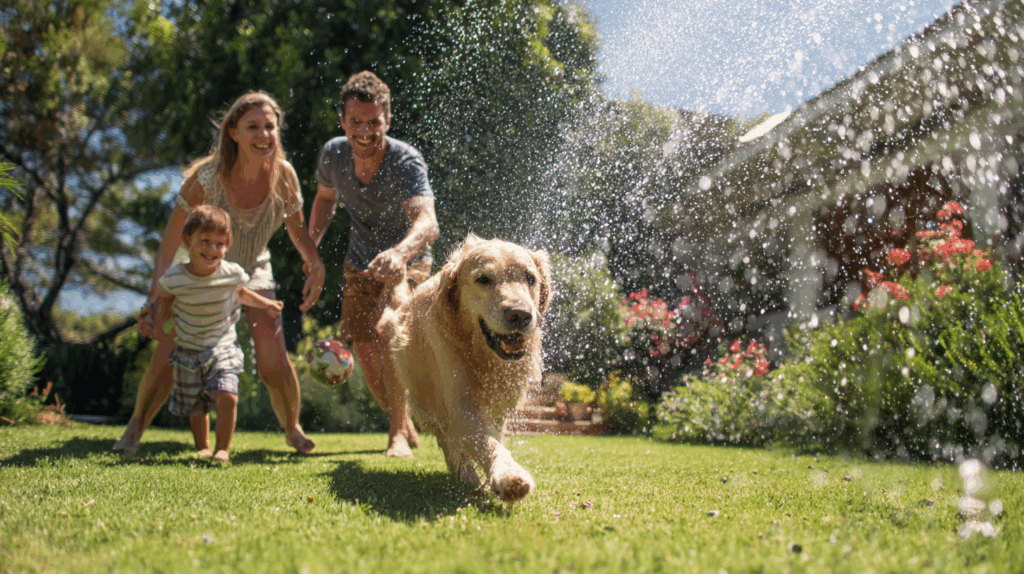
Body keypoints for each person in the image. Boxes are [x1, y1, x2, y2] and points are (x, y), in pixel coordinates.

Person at [113, 91, 326, 456]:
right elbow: (169, 242)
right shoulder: (206, 178)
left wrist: (315, 264)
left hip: (253, 266)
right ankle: (135, 427)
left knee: (274, 357)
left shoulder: (284, 176)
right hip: (202, 270)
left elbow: (297, 231)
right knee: (168, 349)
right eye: (253, 127)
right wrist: (155, 298)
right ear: (233, 132)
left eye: (270, 127)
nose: (264, 135)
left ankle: (292, 429)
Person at [309, 71, 440, 458]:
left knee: (389, 332)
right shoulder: (333, 153)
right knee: (365, 353)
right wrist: (311, 248)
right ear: (342, 121)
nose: (365, 131)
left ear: (387, 120)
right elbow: (324, 199)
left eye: (374, 123)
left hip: (408, 261)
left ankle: (397, 435)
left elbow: (428, 222)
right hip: (360, 262)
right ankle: (402, 420)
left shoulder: (405, 160)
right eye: (356, 122)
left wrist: (399, 254)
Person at [152, 205, 284, 462]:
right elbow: (165, 302)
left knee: (227, 394)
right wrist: (157, 324)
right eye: (205, 241)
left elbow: (243, 294)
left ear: (227, 245)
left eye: (220, 244)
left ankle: (222, 448)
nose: (213, 250)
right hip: (188, 347)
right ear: (188, 241)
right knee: (196, 404)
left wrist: (267, 305)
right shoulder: (175, 278)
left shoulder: (231, 274)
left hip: (222, 345)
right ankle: (202, 446)